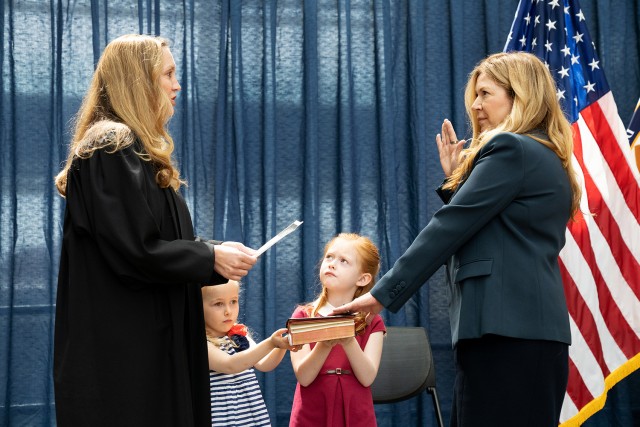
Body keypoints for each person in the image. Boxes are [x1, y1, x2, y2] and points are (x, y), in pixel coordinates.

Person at [332, 52, 582, 427]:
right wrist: (458, 183)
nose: (475, 106)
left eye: (485, 94)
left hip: (507, 335)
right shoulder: (540, 153)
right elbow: (494, 227)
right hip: (514, 333)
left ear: (521, 97)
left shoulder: (512, 148)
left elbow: (450, 227)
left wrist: (381, 295)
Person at [53, 34, 257, 427]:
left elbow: (154, 240)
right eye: (168, 74)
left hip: (148, 341)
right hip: (127, 352)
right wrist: (209, 256)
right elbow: (135, 249)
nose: (177, 85)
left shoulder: (132, 148)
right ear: (137, 81)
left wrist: (214, 253)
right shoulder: (111, 146)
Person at [289, 233, 386, 427]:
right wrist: (324, 344)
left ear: (363, 278)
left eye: (343, 261)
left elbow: (367, 377)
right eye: (329, 257)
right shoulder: (302, 315)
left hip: (357, 412)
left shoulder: (372, 321)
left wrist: (348, 340)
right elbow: (304, 377)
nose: (332, 264)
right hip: (311, 412)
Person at [203, 280, 297, 426]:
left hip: (249, 418)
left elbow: (264, 363)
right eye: (218, 304)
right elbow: (230, 365)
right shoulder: (202, 343)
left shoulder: (239, 337)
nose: (228, 310)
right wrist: (271, 343)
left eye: (233, 301)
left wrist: (282, 345)